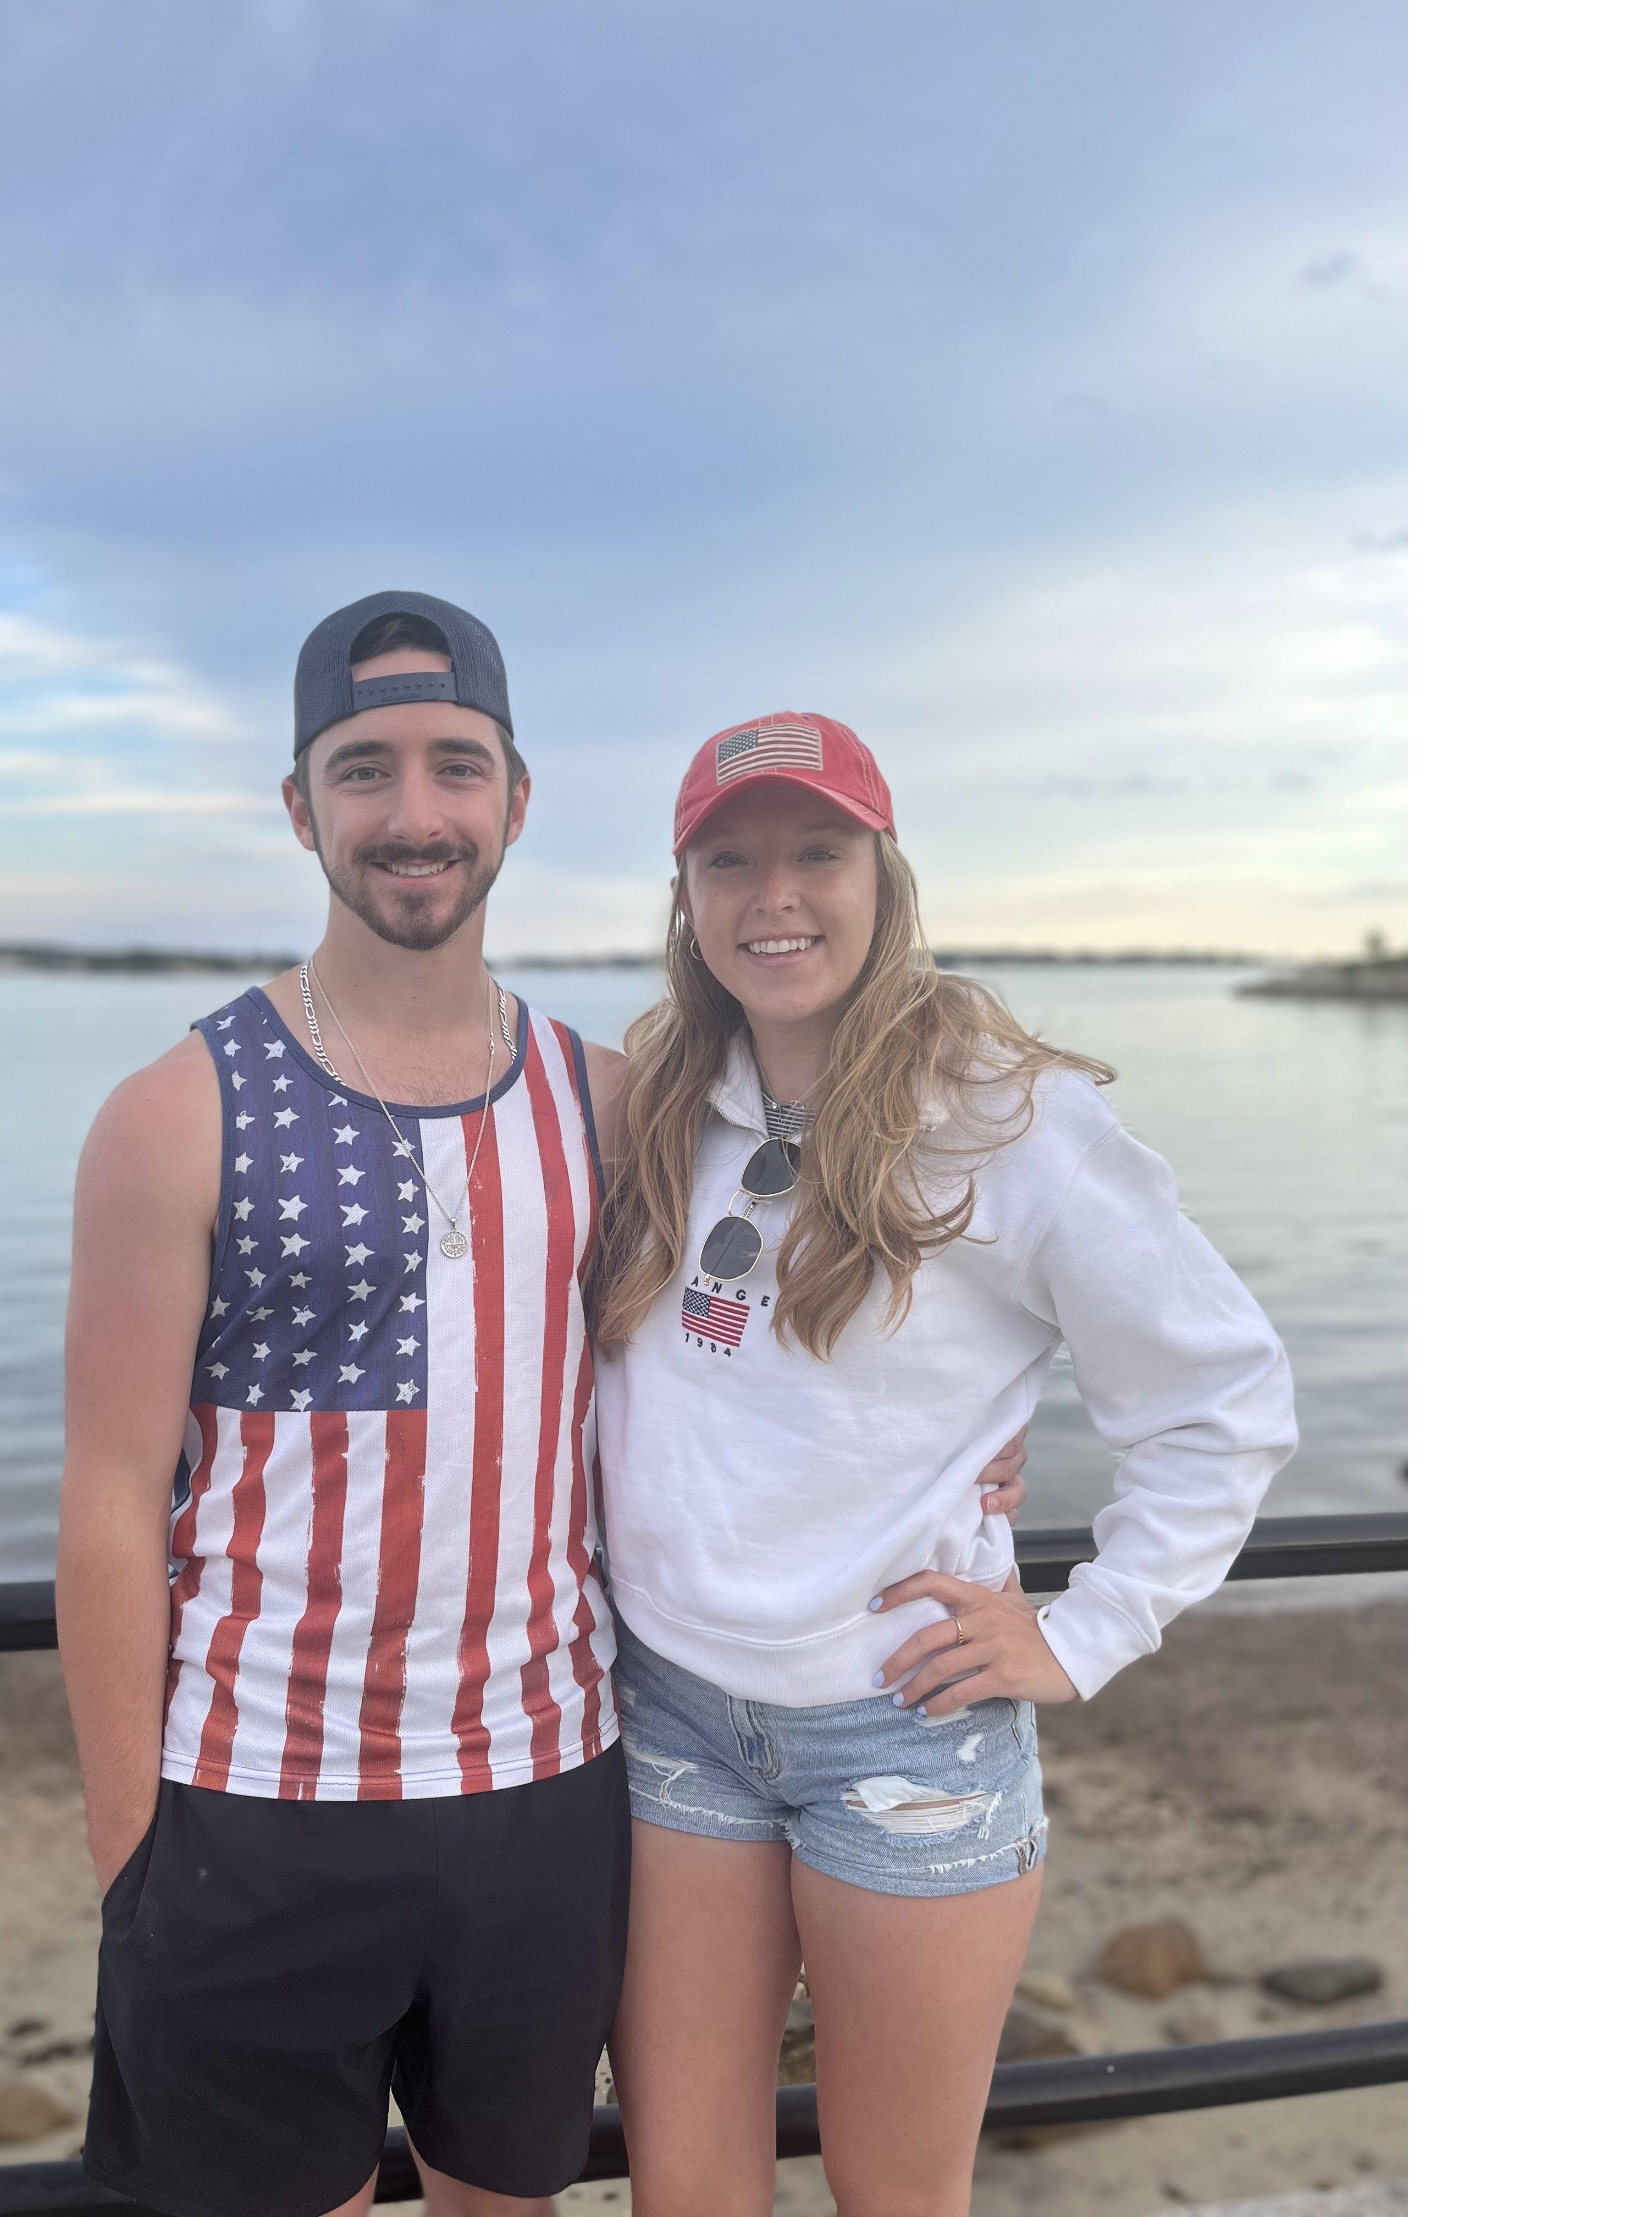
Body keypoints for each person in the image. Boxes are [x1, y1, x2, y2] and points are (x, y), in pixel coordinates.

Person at [58, 598, 1029, 2217]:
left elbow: (782, 1327)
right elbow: (107, 1495)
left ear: (516, 802)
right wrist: (132, 1854)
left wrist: (981, 1429)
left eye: (457, 766)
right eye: (364, 770)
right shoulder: (179, 1114)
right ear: (301, 807)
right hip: (256, 1797)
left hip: (549, 1791)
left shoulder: (614, 1102)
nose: (414, 813)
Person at [588, 713, 1297, 2217]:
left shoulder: (1008, 1118)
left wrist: (1087, 1630)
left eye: (818, 852)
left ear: (885, 877)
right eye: (730, 862)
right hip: (669, 1711)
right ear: (686, 897)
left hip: (901, 1733)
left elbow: (1219, 1399)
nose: (775, 895)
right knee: (684, 2189)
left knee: (897, 2195)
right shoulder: (654, 1097)